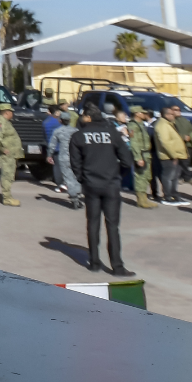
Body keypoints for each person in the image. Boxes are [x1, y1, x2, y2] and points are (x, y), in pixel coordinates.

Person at [69, 109, 134, 275]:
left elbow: (75, 163)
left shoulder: (78, 136)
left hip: (91, 184)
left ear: (88, 117)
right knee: (112, 226)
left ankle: (94, 262)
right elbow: (127, 161)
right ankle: (117, 267)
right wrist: (118, 176)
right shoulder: (113, 134)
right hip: (111, 184)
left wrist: (82, 179)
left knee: (93, 223)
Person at [154, 104, 189, 204]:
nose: (174, 115)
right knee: (168, 177)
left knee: (175, 177)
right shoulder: (162, 125)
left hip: (176, 155)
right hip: (168, 156)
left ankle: (175, 195)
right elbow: (165, 142)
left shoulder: (170, 124)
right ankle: (167, 196)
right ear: (166, 115)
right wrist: (173, 155)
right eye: (172, 114)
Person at [51, 107, 83, 209]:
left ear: (60, 120)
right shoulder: (76, 131)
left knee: (68, 178)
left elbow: (52, 145)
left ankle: (74, 197)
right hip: (75, 156)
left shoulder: (57, 131)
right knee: (76, 176)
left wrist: (49, 155)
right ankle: (77, 195)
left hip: (63, 157)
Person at [0, 103, 23, 206]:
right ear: (6, 112)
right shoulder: (0, 121)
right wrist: (2, 148)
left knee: (10, 175)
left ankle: (8, 196)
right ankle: (7, 198)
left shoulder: (6, 121)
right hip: (6, 154)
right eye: (11, 112)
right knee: (7, 175)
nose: (12, 114)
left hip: (11, 154)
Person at [128, 108, 157, 208]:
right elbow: (134, 142)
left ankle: (144, 198)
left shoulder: (141, 124)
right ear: (136, 113)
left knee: (147, 177)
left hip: (146, 154)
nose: (145, 114)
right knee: (140, 177)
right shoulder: (133, 125)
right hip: (140, 154)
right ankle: (141, 200)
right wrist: (138, 157)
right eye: (142, 112)